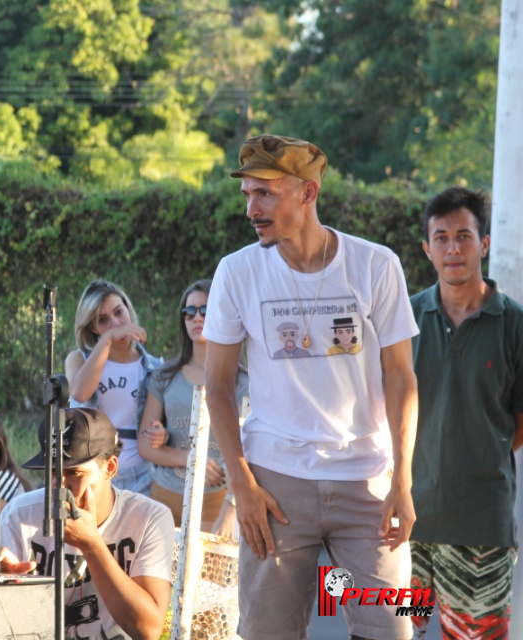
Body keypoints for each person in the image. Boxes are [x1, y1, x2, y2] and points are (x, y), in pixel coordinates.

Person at [203, 134, 419, 640]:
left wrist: (404, 482)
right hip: (275, 484)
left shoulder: (375, 264)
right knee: (267, 633)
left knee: (391, 630)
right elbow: (217, 384)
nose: (252, 209)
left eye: (266, 194)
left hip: (367, 480)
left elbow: (402, 377)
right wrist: (242, 485)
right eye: (248, 195)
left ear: (308, 192)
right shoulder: (236, 272)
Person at [408, 187, 523, 639]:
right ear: (426, 248)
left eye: (464, 236)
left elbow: (518, 421)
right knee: (391, 632)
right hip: (403, 523)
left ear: (485, 243)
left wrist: (474, 450)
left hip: (481, 526)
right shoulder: (404, 318)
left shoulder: (514, 324)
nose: (453, 248)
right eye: (441, 238)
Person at [0, 407, 174, 640]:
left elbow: (148, 630)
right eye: (51, 472)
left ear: (110, 468)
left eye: (74, 473)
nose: (58, 486)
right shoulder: (20, 515)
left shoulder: (148, 518)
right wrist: (0, 585)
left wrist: (91, 544)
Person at [137, 279, 247, 535]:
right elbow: (146, 446)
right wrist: (192, 461)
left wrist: (230, 508)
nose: (197, 318)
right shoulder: (163, 376)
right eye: (189, 312)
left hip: (216, 502)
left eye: (205, 311)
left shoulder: (241, 381)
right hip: (164, 498)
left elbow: (248, 451)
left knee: (210, 575)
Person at [65, 280, 162, 497]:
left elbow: (167, 428)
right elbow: (79, 392)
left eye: (119, 312)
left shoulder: (155, 368)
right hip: (93, 474)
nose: (116, 323)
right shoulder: (78, 359)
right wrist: (108, 340)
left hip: (143, 476)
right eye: (103, 320)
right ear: (92, 327)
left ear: (128, 309)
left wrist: (161, 433)